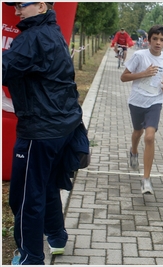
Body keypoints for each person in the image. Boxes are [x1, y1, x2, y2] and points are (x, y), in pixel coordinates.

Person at [2, 2, 85, 264]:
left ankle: (30, 257)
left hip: (39, 130)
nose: (16, 12)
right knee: (47, 185)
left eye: (20, 6)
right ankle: (57, 237)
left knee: (26, 196)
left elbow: (5, 69)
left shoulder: (32, 37)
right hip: (63, 125)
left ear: (39, 5)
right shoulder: (53, 31)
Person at [120, 25, 163, 195]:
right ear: (149, 40)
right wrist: (144, 73)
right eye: (155, 39)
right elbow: (124, 77)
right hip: (137, 101)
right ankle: (133, 151)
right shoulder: (139, 56)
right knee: (137, 132)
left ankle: (146, 179)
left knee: (150, 136)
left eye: (162, 40)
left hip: (155, 101)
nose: (158, 42)